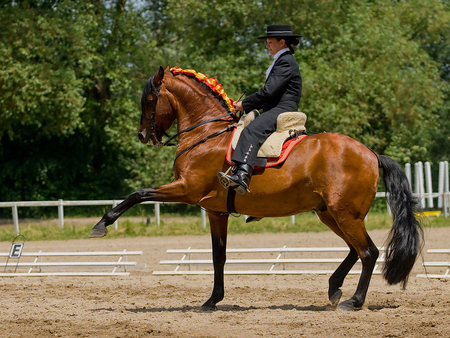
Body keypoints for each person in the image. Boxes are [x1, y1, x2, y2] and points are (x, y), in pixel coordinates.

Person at [218, 24, 302, 195]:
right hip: (275, 108)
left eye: (270, 42)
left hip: (281, 109)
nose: (267, 45)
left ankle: (242, 177)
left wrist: (245, 104)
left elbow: (268, 92)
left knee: (250, 132)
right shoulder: (281, 61)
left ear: (282, 42)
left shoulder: (285, 61)